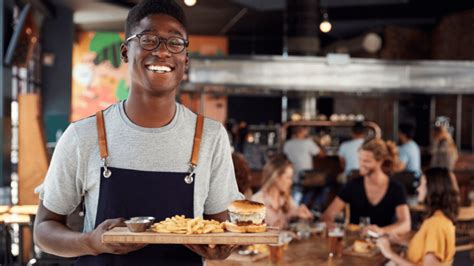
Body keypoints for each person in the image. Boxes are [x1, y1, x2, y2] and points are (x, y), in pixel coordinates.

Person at [33, 1, 242, 265]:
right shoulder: (82, 136)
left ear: (185, 59)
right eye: (148, 40)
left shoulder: (211, 137)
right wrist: (90, 242)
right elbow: (43, 230)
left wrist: (223, 247)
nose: (163, 52)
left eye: (175, 43)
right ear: (125, 51)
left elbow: (223, 230)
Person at [323, 139, 411, 235]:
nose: (361, 164)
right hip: (355, 242)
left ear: (380, 161)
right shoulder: (353, 185)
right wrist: (332, 226)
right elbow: (328, 215)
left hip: (383, 243)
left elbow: (406, 224)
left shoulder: (396, 188)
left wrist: (381, 231)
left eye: (366, 161)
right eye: (360, 159)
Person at [377, 167, 459, 265]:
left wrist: (389, 254)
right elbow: (426, 248)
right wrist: (399, 241)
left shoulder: (435, 224)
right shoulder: (440, 218)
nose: (418, 188)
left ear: (432, 188)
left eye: (422, 184)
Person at [252, 155, 313, 230]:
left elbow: (298, 223)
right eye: (288, 178)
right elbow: (260, 233)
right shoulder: (257, 201)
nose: (291, 182)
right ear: (276, 177)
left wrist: (301, 216)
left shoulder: (285, 198)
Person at [283, 126, 320, 203]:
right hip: (307, 176)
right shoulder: (308, 142)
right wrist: (317, 142)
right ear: (302, 131)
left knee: (296, 191)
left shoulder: (288, 143)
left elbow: (284, 156)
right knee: (318, 187)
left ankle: (297, 206)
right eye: (306, 129)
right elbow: (321, 154)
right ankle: (312, 207)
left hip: (292, 175)